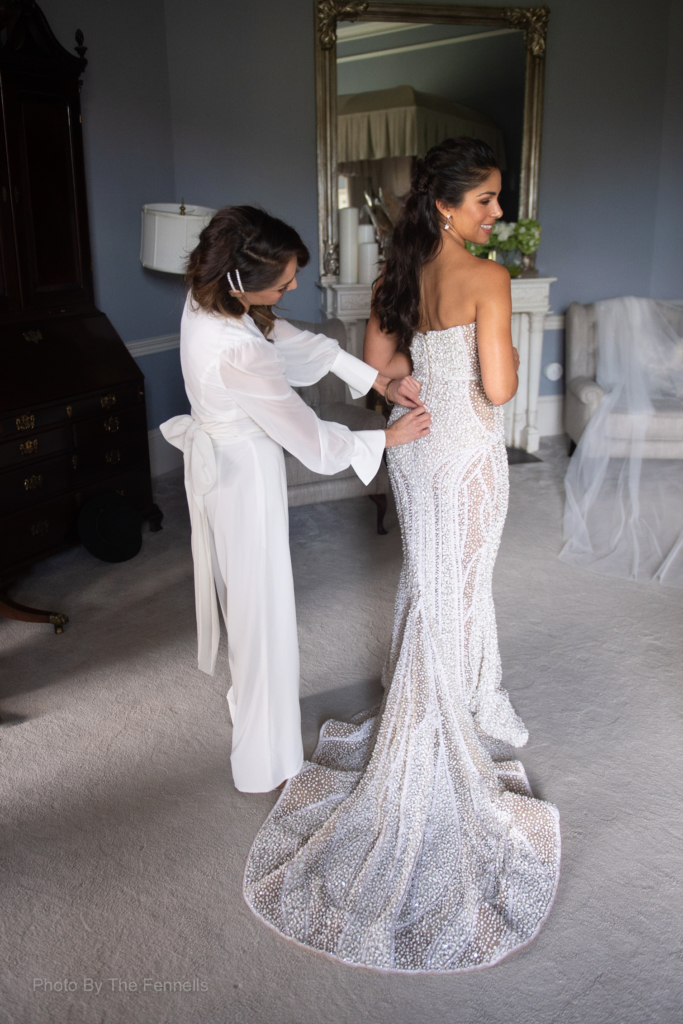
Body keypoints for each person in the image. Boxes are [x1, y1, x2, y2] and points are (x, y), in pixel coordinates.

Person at [244, 140, 560, 972]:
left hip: (414, 451)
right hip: (464, 455)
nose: (498, 214)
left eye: (497, 200)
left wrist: (413, 382)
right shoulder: (487, 281)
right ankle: (443, 723)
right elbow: (497, 391)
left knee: (433, 585)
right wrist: (506, 357)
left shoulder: (397, 276)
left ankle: (470, 697)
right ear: (449, 206)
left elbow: (381, 371)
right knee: (456, 591)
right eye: (486, 200)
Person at [160, 206, 430, 794]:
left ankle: (249, 709)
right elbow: (311, 441)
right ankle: (267, 760)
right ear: (240, 279)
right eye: (282, 282)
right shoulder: (239, 349)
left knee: (246, 604)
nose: (292, 288)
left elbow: (292, 339)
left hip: (220, 471)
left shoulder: (207, 301)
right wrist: (386, 435)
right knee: (266, 615)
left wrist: (376, 380)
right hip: (245, 478)